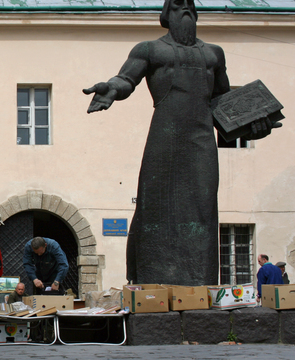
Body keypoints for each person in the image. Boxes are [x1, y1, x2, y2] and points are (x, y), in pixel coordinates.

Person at [84, 0, 279, 286]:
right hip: (164, 136)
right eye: (178, 5)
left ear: (196, 13)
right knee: (154, 206)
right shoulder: (149, 49)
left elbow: (224, 106)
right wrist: (111, 88)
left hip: (201, 139)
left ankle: (199, 283)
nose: (185, 9)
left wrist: (254, 127)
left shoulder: (213, 54)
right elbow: (126, 79)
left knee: (202, 208)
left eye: (189, 5)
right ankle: (152, 280)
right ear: (166, 14)